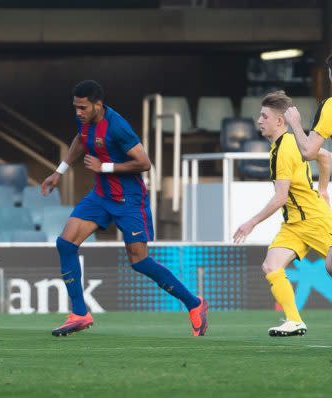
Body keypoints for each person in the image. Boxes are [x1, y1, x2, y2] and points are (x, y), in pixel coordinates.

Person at [41, 80, 208, 337]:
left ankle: (194, 304)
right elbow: (79, 140)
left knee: (139, 261)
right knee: (65, 243)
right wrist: (59, 172)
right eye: (75, 107)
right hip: (100, 196)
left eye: (83, 108)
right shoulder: (84, 122)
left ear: (98, 105)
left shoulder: (118, 127)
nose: (78, 113)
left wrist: (104, 167)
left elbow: (144, 163)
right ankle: (80, 313)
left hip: (129, 200)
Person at [234, 91, 332, 336]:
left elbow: (280, 198)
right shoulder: (289, 144)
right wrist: (323, 189)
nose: (259, 120)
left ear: (279, 121)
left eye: (264, 116)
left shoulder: (283, 150)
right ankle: (294, 320)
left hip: (314, 220)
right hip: (295, 224)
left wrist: (251, 223)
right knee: (271, 266)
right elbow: (326, 157)